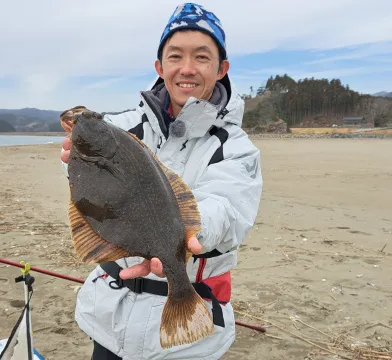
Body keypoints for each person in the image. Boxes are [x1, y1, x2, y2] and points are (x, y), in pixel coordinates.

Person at [59, 3, 263, 359]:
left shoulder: (236, 148)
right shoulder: (121, 127)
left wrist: (184, 236)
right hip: (110, 314)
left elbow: (226, 209)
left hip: (190, 341)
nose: (187, 68)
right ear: (159, 66)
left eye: (201, 57)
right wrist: (71, 163)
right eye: (175, 56)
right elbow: (91, 195)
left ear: (221, 68)